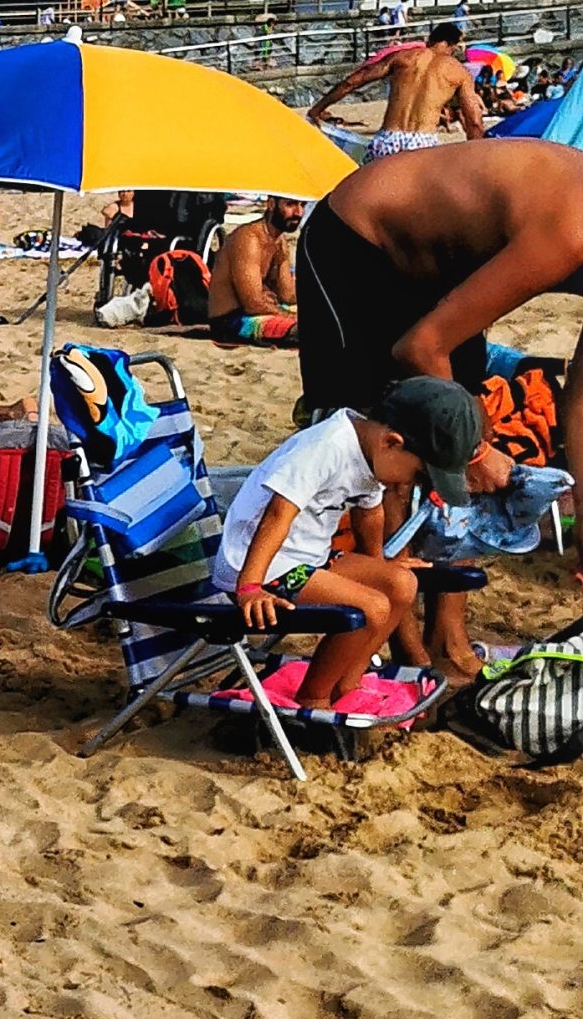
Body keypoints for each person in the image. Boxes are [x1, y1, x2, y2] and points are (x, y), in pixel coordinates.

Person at [212, 378, 481, 709]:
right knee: (372, 606)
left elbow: (369, 514)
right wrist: (250, 587)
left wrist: (376, 565)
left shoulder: (370, 452)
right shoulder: (325, 447)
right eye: (420, 475)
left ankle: (347, 685)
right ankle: (314, 696)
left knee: (400, 584)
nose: (413, 484)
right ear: (392, 443)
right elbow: (278, 514)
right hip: (259, 564)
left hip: (308, 556)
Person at [294, 140, 583, 417]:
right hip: (357, 232)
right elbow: (421, 348)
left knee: (458, 403)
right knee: (354, 421)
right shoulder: (568, 235)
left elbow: (580, 402)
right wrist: (475, 452)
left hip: (443, 264)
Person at [309, 20, 486, 156]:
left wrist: (317, 109)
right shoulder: (459, 72)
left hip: (387, 141)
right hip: (423, 145)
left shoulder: (402, 57)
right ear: (452, 46)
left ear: (430, 39)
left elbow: (352, 82)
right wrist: (475, 155)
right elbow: (474, 121)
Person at [208, 197, 304, 345]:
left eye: (302, 205)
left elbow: (287, 295)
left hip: (254, 312)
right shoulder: (249, 239)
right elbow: (253, 304)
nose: (299, 212)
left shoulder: (278, 241)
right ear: (271, 204)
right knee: (309, 329)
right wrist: (290, 316)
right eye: (290, 205)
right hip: (231, 321)